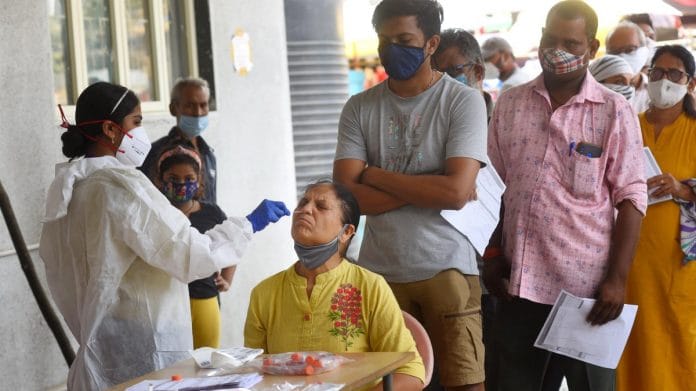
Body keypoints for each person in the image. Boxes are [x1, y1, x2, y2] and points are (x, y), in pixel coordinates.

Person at [39, 82, 290, 390]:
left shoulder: (70, 187)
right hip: (141, 355)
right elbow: (189, 254)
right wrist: (249, 224)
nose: (140, 132)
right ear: (110, 129)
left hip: (102, 348)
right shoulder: (121, 187)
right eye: (136, 122)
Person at [484, 2, 647, 390]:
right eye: (550, 39)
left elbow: (632, 199)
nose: (556, 50)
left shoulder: (614, 111)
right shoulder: (509, 104)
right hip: (517, 284)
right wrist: (491, 255)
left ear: (591, 47)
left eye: (570, 43)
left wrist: (617, 280)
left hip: (587, 293)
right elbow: (491, 189)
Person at [333, 0, 488, 390]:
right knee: (387, 386)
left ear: (432, 43)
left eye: (405, 40)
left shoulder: (462, 101)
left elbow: (454, 193)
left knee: (464, 383)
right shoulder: (359, 107)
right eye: (385, 40)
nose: (392, 49)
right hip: (379, 275)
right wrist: (429, 185)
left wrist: (374, 174)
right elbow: (346, 199)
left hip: (447, 270)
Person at [244, 181, 425, 390]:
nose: (305, 209)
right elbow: (252, 373)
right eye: (303, 202)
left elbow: (411, 373)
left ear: (347, 232)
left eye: (320, 206)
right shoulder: (264, 293)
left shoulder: (370, 287)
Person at [617, 45, 696, 391]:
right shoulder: (627, 126)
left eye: (674, 74)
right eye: (657, 73)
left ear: (690, 82)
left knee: (678, 345)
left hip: (677, 267)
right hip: (627, 263)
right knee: (629, 344)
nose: (664, 80)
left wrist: (682, 189)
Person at [432, 27, 497, 390]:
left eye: (454, 70)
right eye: (437, 71)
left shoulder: (502, 122)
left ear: (477, 73)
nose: (445, 80)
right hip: (446, 272)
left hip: (496, 275)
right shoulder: (431, 124)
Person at [155, 143, 234, 349]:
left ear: (199, 181)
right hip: (164, 303)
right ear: (160, 180)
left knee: (205, 365)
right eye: (173, 179)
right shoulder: (154, 213)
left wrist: (226, 279)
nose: (182, 184)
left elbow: (231, 245)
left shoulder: (212, 213)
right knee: (169, 364)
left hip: (204, 298)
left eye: (189, 179)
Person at [140, 77, 217, 203]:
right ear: (173, 108)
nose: (198, 113)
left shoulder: (209, 154)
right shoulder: (156, 153)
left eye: (203, 105)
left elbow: (211, 201)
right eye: (189, 106)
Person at [434, 28, 494, 119]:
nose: (442, 82)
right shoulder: (430, 122)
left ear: (478, 72)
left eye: (451, 72)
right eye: (435, 75)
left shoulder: (502, 123)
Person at [605, 21, 651, 113]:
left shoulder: (656, 92)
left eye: (630, 49)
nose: (622, 56)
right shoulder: (598, 91)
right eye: (614, 52)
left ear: (644, 51)